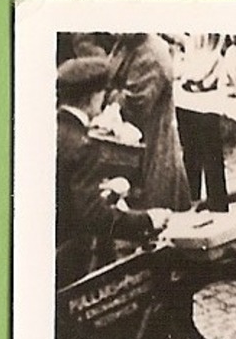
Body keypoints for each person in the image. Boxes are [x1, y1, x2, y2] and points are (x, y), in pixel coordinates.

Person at [55, 56, 167, 288]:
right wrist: (146, 220)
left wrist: (102, 189)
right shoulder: (82, 145)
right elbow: (93, 217)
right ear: (92, 97)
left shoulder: (54, 129)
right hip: (67, 254)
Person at [101, 32, 192, 211]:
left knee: (152, 221)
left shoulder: (151, 53)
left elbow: (134, 106)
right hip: (129, 153)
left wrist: (102, 95)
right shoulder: (127, 43)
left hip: (151, 157)